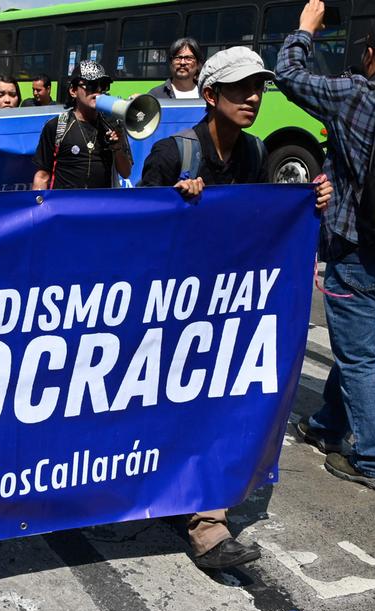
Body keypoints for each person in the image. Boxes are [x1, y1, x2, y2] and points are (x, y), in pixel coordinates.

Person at [140, 47, 332, 570]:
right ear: (210, 96)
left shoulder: (252, 152)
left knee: (216, 405)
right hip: (167, 312)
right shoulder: (170, 154)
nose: (253, 98)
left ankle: (208, 522)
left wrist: (309, 203)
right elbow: (132, 234)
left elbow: (264, 223)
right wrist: (173, 205)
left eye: (259, 88)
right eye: (240, 89)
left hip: (226, 313)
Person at [276, 2, 375, 492]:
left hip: (358, 252)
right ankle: (327, 425)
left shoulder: (354, 95)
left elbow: (287, 73)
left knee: (359, 358)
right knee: (360, 351)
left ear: (370, 54)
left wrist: (306, 29)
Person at [31, 60, 133, 190]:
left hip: (101, 207)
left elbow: (126, 172)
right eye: (91, 85)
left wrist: (117, 148)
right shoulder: (56, 126)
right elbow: (42, 176)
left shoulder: (112, 125)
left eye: (103, 85)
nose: (98, 90)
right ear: (73, 91)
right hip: (65, 207)